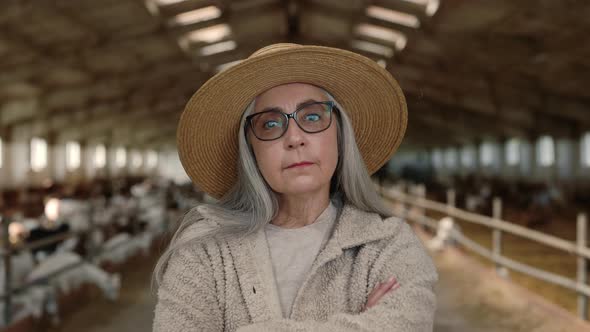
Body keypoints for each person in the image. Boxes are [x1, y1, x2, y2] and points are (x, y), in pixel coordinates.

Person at [153, 43, 438, 331]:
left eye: (312, 117)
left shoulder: (387, 243)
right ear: (250, 150)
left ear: (340, 134)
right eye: (270, 124)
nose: (294, 138)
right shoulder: (204, 249)